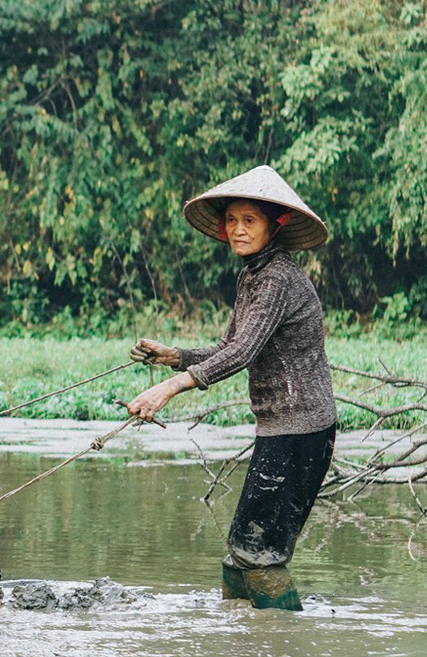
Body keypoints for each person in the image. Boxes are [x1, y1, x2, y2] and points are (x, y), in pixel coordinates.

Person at [125, 165, 336, 611]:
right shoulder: (252, 274)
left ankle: (286, 640)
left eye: (250, 220)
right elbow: (230, 345)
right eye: (232, 220)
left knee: (257, 554)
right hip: (280, 429)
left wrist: (169, 388)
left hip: (300, 431)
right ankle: (243, 638)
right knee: (239, 557)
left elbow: (242, 353)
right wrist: (175, 356)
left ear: (274, 225)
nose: (238, 230)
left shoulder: (278, 277)